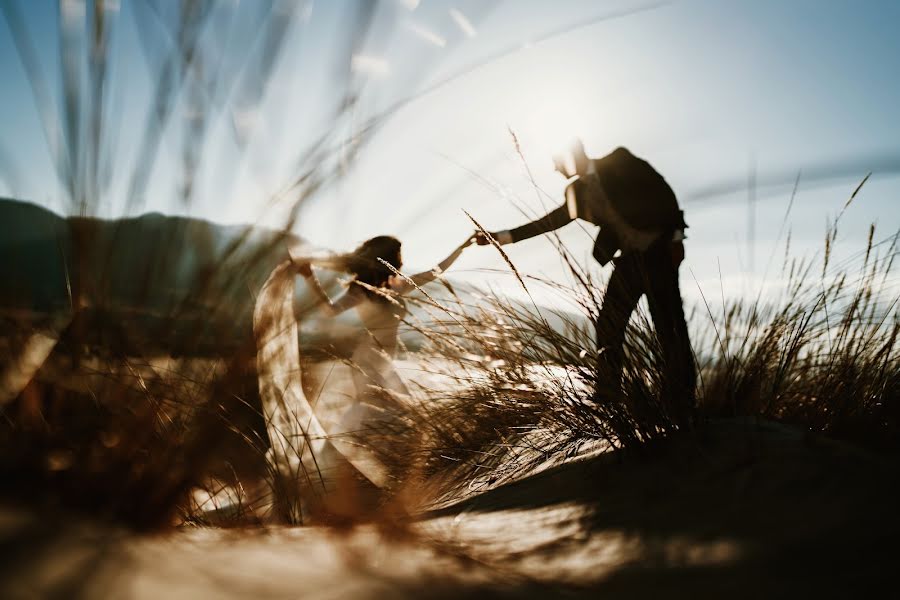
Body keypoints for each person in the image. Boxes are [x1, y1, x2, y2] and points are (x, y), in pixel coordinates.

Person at [475, 140, 695, 427]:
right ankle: (608, 396)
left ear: (572, 155)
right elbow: (549, 221)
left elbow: (663, 191)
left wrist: (676, 237)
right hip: (629, 260)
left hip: (659, 252)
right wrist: (498, 237)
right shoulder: (577, 192)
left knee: (670, 328)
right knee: (608, 324)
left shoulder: (620, 160)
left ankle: (682, 403)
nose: (555, 170)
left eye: (557, 162)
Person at [293, 234, 474, 416]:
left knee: (399, 413)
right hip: (368, 359)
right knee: (382, 413)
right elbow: (330, 310)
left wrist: (462, 247)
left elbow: (435, 271)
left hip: (384, 361)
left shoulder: (398, 286)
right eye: (398, 255)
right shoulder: (361, 289)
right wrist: (310, 277)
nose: (400, 260)